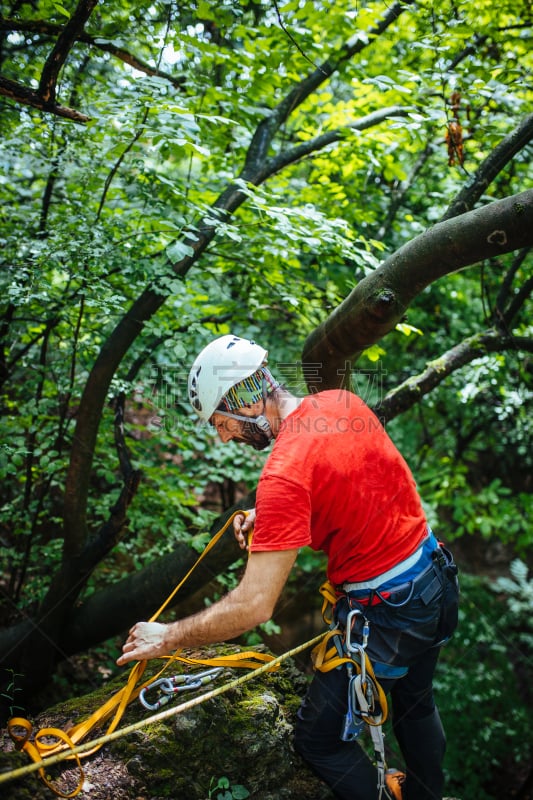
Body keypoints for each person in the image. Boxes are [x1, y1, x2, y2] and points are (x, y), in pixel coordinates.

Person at [117, 333, 459, 800]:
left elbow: (255, 607)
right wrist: (276, 517)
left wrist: (169, 636)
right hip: (434, 579)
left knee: (318, 741)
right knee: (415, 703)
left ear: (247, 400)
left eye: (221, 421)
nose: (223, 435)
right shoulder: (340, 402)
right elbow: (352, 487)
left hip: (391, 615)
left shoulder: (283, 474)